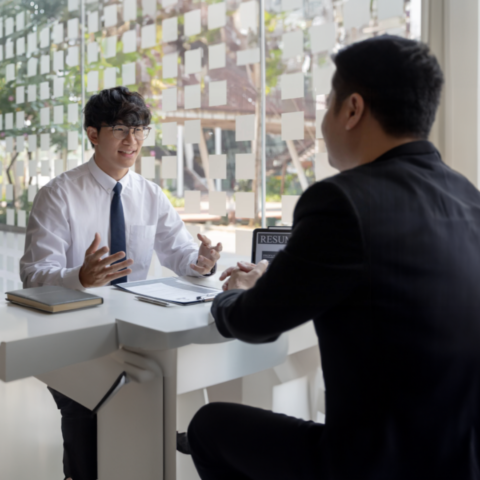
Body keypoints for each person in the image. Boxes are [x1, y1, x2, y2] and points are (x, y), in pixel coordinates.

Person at [186, 36, 480, 480]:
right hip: (461, 462)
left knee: (208, 426)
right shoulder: (467, 197)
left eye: (327, 105)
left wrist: (238, 293)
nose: (322, 122)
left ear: (352, 109)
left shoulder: (342, 201)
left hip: (372, 466)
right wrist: (285, 277)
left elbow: (255, 323)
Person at [20, 87, 222, 480]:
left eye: (140, 130)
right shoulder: (58, 195)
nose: (132, 141)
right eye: (120, 130)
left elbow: (179, 254)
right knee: (89, 435)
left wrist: (201, 263)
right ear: (93, 134)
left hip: (135, 335)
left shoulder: (149, 194)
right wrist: (78, 277)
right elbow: (34, 275)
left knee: (142, 418)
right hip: (74, 338)